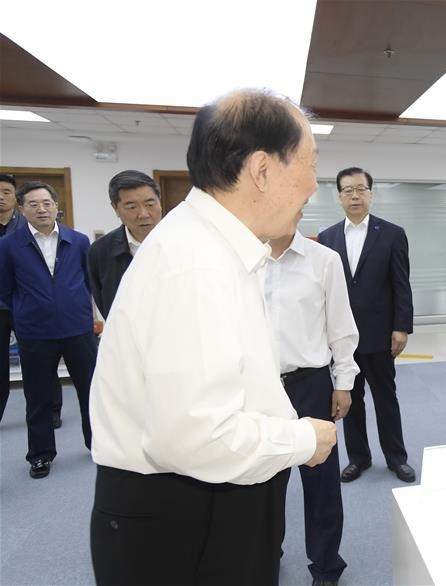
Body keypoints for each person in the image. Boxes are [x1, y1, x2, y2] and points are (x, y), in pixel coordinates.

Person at [88, 89, 337, 586]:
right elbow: (197, 437)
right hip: (186, 513)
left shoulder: (211, 246)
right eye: (310, 164)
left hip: (211, 497)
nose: (314, 185)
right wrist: (303, 438)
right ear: (262, 170)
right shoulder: (196, 264)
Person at [266, 225, 359, 586]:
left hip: (310, 384)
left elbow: (341, 326)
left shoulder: (324, 260)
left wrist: (344, 383)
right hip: (261, 386)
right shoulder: (245, 257)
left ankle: (325, 565)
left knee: (320, 481)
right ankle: (265, 553)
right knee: (262, 479)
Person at [317, 167, 416, 483]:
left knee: (386, 399)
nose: (355, 195)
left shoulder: (392, 234)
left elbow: (401, 284)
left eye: (361, 189)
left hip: (380, 335)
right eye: (348, 190)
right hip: (342, 338)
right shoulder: (327, 237)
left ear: (371, 194)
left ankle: (397, 458)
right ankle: (358, 458)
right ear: (339, 197)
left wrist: (401, 326)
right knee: (349, 400)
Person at [0, 181, 95, 478]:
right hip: (35, 332)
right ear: (22, 209)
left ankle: (99, 444)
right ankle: (40, 455)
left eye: (46, 203)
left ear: (56, 206)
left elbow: (89, 281)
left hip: (78, 329)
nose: (41, 209)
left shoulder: (78, 241)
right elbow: (5, 289)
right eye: (33, 204)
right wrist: (26, 311)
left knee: (91, 392)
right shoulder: (8, 246)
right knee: (38, 397)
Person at [87, 170, 163, 319]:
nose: (144, 214)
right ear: (115, 208)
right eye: (132, 207)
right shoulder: (100, 251)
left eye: (150, 204)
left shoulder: (184, 243)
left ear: (159, 202)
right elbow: (105, 303)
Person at [0, 172, 23, 422]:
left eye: (6, 192)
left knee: (39, 358)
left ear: (15, 197)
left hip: (22, 302)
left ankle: (52, 409)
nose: (1, 197)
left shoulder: (27, 225)